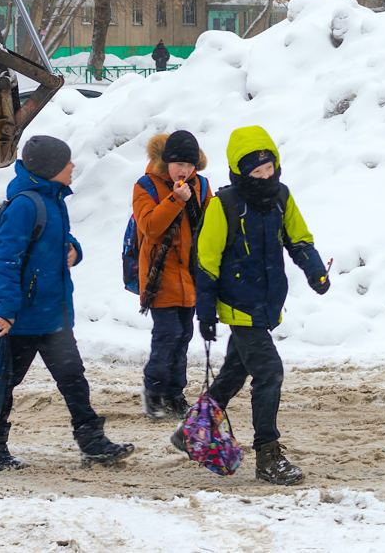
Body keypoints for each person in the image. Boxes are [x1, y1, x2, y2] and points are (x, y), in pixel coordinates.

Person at [0, 135, 135, 471]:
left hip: (54, 314)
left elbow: (60, 240)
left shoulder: (53, 200)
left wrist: (75, 250)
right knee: (6, 382)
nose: (72, 166)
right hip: (26, 317)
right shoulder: (24, 205)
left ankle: (91, 440)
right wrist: (6, 312)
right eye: (66, 163)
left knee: (73, 376)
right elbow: (5, 260)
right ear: (49, 169)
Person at [182, 126, 331, 486]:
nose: (265, 178)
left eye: (270, 170)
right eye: (257, 173)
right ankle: (268, 454)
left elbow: (298, 239)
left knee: (235, 371)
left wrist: (314, 271)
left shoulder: (281, 197)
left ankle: (193, 431)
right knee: (270, 372)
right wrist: (205, 312)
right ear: (240, 173)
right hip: (238, 305)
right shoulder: (225, 205)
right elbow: (206, 260)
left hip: (267, 301)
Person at [133, 130, 212, 420]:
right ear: (166, 161)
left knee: (184, 336)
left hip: (190, 276)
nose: (185, 170)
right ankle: (153, 393)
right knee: (167, 335)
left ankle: (175, 394)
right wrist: (175, 200)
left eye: (190, 165)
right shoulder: (146, 186)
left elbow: (209, 227)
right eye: (179, 163)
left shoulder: (201, 186)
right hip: (159, 276)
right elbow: (150, 227)